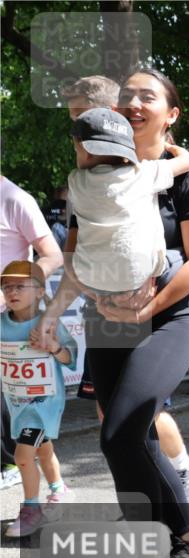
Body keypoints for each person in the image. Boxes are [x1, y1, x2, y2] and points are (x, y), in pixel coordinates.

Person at [39, 67, 189, 558]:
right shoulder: (90, 178)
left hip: (169, 318)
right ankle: (163, 543)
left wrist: (147, 308)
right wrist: (52, 315)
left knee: (123, 433)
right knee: (121, 440)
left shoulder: (183, 176)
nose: (134, 102)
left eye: (148, 96)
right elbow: (74, 258)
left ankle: (186, 535)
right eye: (127, 97)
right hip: (109, 317)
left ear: (171, 113)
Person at [68, 107, 189, 305]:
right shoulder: (142, 174)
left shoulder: (75, 180)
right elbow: (188, 161)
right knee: (185, 256)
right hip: (138, 275)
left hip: (89, 276)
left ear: (86, 152)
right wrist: (171, 148)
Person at [1, 261, 77, 537]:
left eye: (20, 286)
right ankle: (59, 489)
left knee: (22, 456)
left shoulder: (49, 323)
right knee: (42, 449)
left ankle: (31, 510)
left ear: (40, 290)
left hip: (45, 404)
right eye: (6, 286)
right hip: (16, 403)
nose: (12, 291)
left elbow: (71, 359)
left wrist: (54, 347)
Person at [0, 177, 63, 491]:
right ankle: (54, 485)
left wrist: (9, 293)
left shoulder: (14, 198)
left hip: (12, 325)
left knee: (26, 410)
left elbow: (53, 255)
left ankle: (43, 483)